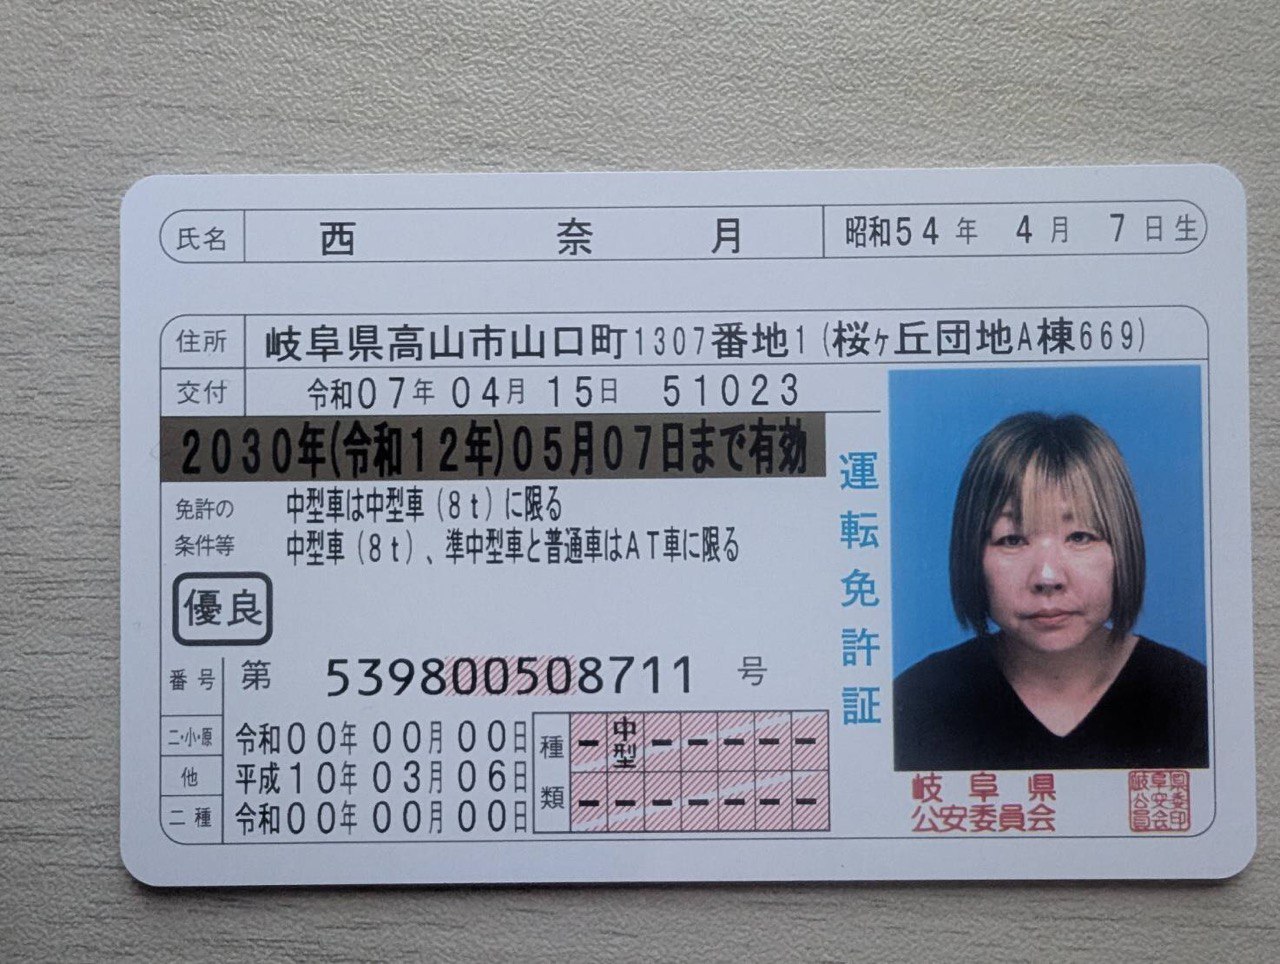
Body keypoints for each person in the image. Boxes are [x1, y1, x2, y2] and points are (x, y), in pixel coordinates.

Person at [893, 412, 1208, 771]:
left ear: (1124, 547)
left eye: (1080, 537)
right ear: (971, 554)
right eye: (1012, 540)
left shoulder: (1195, 698)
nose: (1047, 577)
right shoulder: (916, 701)